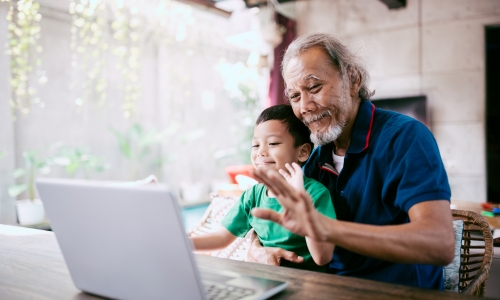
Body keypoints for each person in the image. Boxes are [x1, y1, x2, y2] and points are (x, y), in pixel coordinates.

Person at [247, 33, 455, 290]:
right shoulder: (314, 155)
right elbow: (279, 224)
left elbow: (439, 244)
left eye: (313, 88)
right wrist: (256, 250)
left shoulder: (405, 137)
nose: (305, 107)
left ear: (353, 80)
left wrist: (327, 228)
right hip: (326, 289)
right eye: (294, 96)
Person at [190, 104, 337, 272]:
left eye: (273, 143)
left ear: (303, 152)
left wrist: (301, 203)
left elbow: (322, 257)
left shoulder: (315, 193)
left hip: (308, 284)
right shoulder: (253, 195)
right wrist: (183, 243)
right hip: (267, 279)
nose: (261, 152)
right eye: (255, 145)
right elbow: (222, 237)